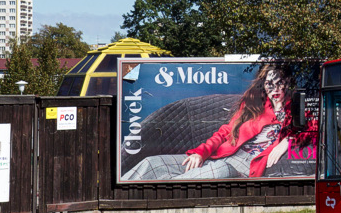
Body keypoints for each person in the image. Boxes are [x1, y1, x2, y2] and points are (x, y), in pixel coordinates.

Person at [124, 65, 296, 180]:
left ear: (287, 84)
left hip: (243, 167)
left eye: (279, 83)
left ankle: (158, 192)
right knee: (153, 164)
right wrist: (200, 153)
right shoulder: (253, 105)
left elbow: (309, 128)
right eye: (269, 84)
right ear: (263, 86)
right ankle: (118, 199)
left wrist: (288, 140)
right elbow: (225, 132)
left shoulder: (295, 110)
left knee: (220, 169)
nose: (274, 89)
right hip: (221, 156)